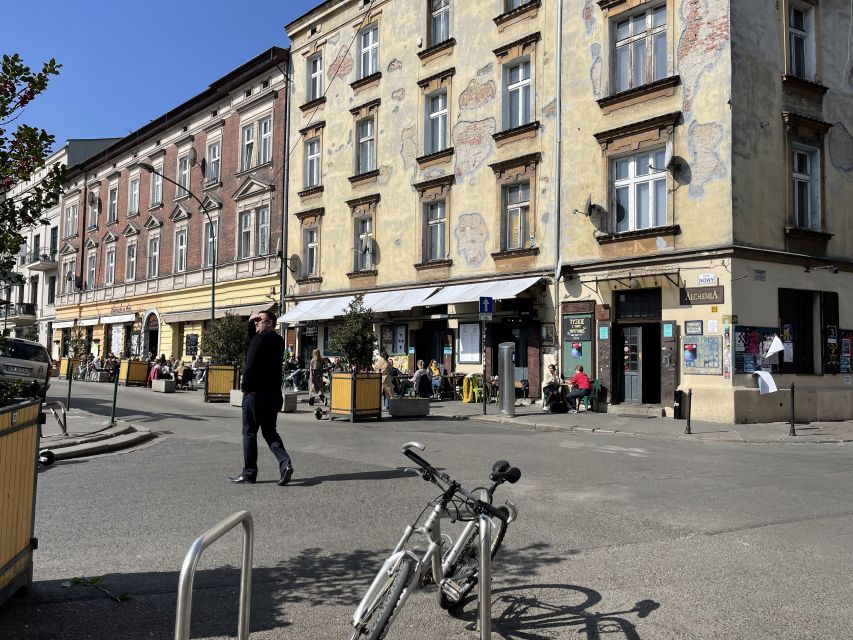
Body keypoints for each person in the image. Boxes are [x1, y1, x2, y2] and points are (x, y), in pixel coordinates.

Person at [229, 310, 293, 486]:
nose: (257, 322)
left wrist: (245, 388)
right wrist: (252, 325)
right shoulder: (279, 341)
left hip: (255, 394)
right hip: (272, 394)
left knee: (249, 433)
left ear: (271, 323)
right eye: (256, 320)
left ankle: (249, 473)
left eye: (260, 320)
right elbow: (253, 343)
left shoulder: (259, 339)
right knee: (270, 432)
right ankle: (285, 464)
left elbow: (249, 364)